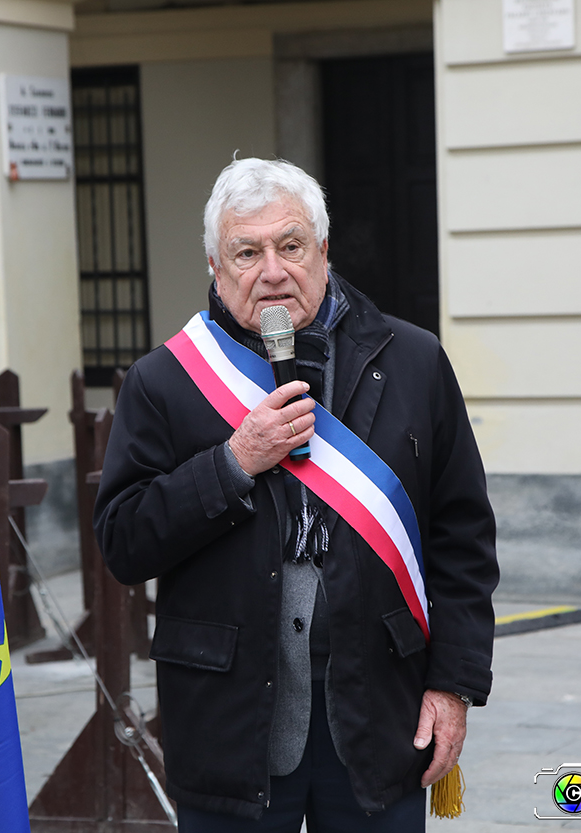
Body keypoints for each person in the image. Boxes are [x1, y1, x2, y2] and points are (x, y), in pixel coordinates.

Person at [95, 157, 498, 831]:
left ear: (324, 250)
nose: (273, 270)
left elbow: (462, 540)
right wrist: (231, 463)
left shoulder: (413, 360)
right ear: (214, 268)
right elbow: (124, 542)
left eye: (290, 245)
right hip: (229, 720)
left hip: (379, 711)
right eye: (246, 252)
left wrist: (452, 685)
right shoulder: (164, 381)